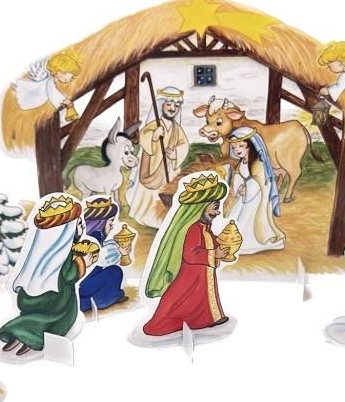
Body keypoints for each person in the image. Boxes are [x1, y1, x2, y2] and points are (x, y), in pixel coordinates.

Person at [0, 195, 95, 356]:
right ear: (66, 230)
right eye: (78, 223)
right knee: (56, 317)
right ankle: (33, 336)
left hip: (28, 301)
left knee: (34, 315)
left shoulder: (37, 253)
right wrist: (83, 261)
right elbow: (70, 276)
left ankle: (20, 330)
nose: (82, 227)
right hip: (57, 305)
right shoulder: (63, 253)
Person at [143, 174, 231, 336]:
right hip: (191, 277)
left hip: (202, 275)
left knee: (201, 299)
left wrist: (221, 247)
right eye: (214, 207)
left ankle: (208, 319)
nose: (217, 212)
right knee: (183, 300)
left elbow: (210, 242)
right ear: (201, 206)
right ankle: (168, 322)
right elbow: (191, 254)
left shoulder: (205, 228)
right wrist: (214, 253)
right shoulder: (193, 229)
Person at [126, 86, 189, 228]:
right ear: (162, 105)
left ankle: (166, 216)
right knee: (151, 197)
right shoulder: (154, 125)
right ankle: (148, 215)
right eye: (169, 104)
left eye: (176, 105)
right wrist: (153, 137)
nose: (172, 108)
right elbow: (144, 137)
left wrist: (176, 153)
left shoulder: (177, 129)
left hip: (170, 169)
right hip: (153, 167)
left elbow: (184, 145)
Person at [225, 127, 285, 253]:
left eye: (241, 146)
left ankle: (249, 244)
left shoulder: (257, 163)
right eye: (234, 147)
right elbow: (239, 177)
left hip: (257, 199)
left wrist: (247, 187)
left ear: (250, 146)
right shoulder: (242, 162)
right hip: (244, 198)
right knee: (235, 218)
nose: (237, 150)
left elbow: (259, 182)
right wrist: (239, 187)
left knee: (246, 221)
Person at [78, 197, 130, 312]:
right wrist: (121, 253)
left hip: (84, 283)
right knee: (115, 271)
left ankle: (96, 300)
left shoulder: (92, 236)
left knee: (112, 272)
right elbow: (103, 258)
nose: (112, 225)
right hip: (84, 284)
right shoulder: (95, 237)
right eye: (111, 221)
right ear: (101, 222)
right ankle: (100, 301)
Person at [11, 52, 80, 114]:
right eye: (70, 76)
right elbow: (53, 93)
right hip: (30, 98)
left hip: (33, 97)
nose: (69, 79)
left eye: (72, 78)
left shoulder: (49, 79)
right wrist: (63, 101)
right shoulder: (49, 80)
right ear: (60, 71)